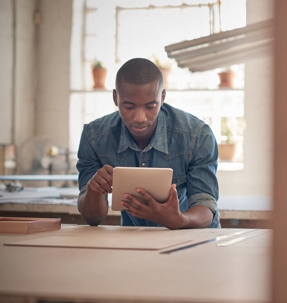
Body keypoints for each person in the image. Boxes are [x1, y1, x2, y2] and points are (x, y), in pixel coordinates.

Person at [76, 58, 220, 229]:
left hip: (194, 239)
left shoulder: (197, 135)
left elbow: (206, 205)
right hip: (136, 240)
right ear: (115, 98)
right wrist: (94, 191)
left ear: (163, 97)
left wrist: (180, 220)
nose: (140, 118)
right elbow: (93, 218)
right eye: (129, 107)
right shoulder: (94, 137)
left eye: (150, 106)